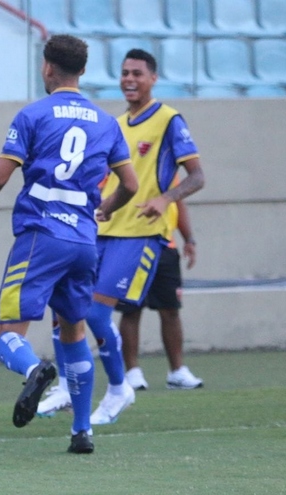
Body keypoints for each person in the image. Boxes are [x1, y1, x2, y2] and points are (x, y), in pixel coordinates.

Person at [0, 34, 138, 454]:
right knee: (73, 330)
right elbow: (130, 184)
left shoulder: (32, 115)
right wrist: (106, 208)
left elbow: (1, 177)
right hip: (83, 240)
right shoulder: (106, 121)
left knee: (5, 334)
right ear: (81, 71)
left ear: (47, 68)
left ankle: (34, 371)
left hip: (41, 235)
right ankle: (82, 431)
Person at [39, 48, 207, 424]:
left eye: (137, 73)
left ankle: (119, 389)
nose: (130, 79)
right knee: (63, 309)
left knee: (98, 316)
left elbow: (197, 176)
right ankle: (68, 387)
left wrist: (166, 199)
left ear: (153, 79)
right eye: (125, 73)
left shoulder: (168, 120)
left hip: (142, 234)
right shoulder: (115, 124)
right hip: (103, 230)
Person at [119, 197, 204, 390]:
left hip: (165, 246)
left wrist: (189, 238)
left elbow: (178, 200)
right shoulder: (119, 167)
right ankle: (132, 372)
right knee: (131, 310)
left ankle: (177, 371)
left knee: (171, 310)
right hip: (130, 244)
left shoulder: (166, 169)